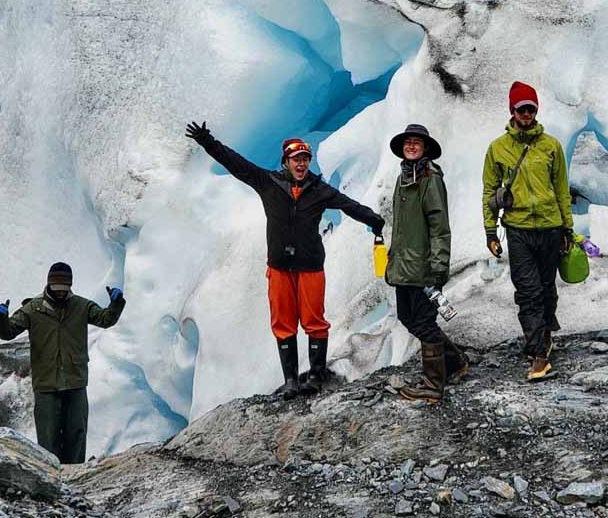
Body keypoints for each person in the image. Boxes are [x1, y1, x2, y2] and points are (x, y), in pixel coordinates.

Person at [185, 121, 384, 398]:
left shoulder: (319, 190)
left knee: (315, 321)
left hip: (310, 267)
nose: (301, 164)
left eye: (305, 159)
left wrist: (375, 220)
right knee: (283, 322)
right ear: (286, 162)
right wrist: (208, 142)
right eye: (296, 159)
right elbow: (237, 164)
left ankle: (315, 377)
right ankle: (291, 380)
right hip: (279, 269)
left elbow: (350, 206)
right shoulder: (268, 183)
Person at [482, 82, 573, 381]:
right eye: (521, 108)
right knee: (528, 291)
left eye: (530, 108)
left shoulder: (551, 146)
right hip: (518, 229)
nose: (526, 113)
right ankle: (538, 356)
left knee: (547, 288)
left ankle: (544, 335)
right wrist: (490, 231)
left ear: (536, 110)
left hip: (549, 227)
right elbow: (489, 192)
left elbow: (561, 190)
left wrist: (567, 229)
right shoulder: (498, 148)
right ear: (512, 111)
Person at [0, 261, 126, 462]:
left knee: (76, 433)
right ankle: (51, 476)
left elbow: (105, 319)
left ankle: (74, 478)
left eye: (64, 288)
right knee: (48, 437)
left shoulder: (81, 306)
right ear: (49, 284)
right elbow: (7, 333)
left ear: (70, 286)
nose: (60, 293)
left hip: (75, 380)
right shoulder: (32, 309)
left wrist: (116, 304)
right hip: (46, 383)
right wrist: (1, 318)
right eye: (56, 288)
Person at [385, 123, 468, 403]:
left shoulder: (430, 179)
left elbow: (439, 227)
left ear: (425, 148)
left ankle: (433, 384)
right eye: (408, 142)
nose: (411, 146)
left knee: (423, 321)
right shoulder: (403, 177)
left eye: (416, 143)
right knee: (408, 318)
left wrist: (438, 267)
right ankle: (455, 362)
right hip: (403, 266)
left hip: (422, 267)